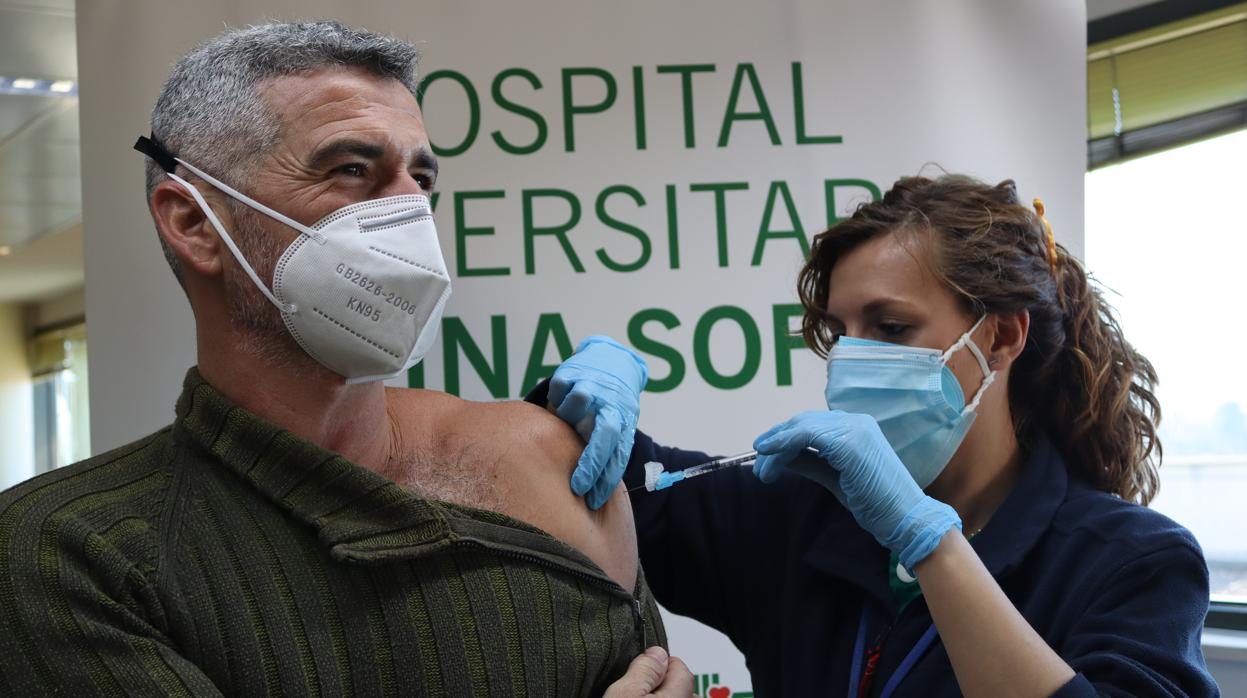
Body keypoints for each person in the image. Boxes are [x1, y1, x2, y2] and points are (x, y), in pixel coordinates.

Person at [0, 21, 692, 697]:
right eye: (352, 170)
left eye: (421, 179)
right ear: (194, 224)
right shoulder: (73, 552)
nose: (410, 215)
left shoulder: (539, 460)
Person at [541, 176, 1220, 696]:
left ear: (1000, 336)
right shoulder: (792, 515)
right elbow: (604, 481)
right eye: (840, 334)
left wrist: (926, 541)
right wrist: (578, 400)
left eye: (891, 329)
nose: (850, 362)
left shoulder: (1132, 562)